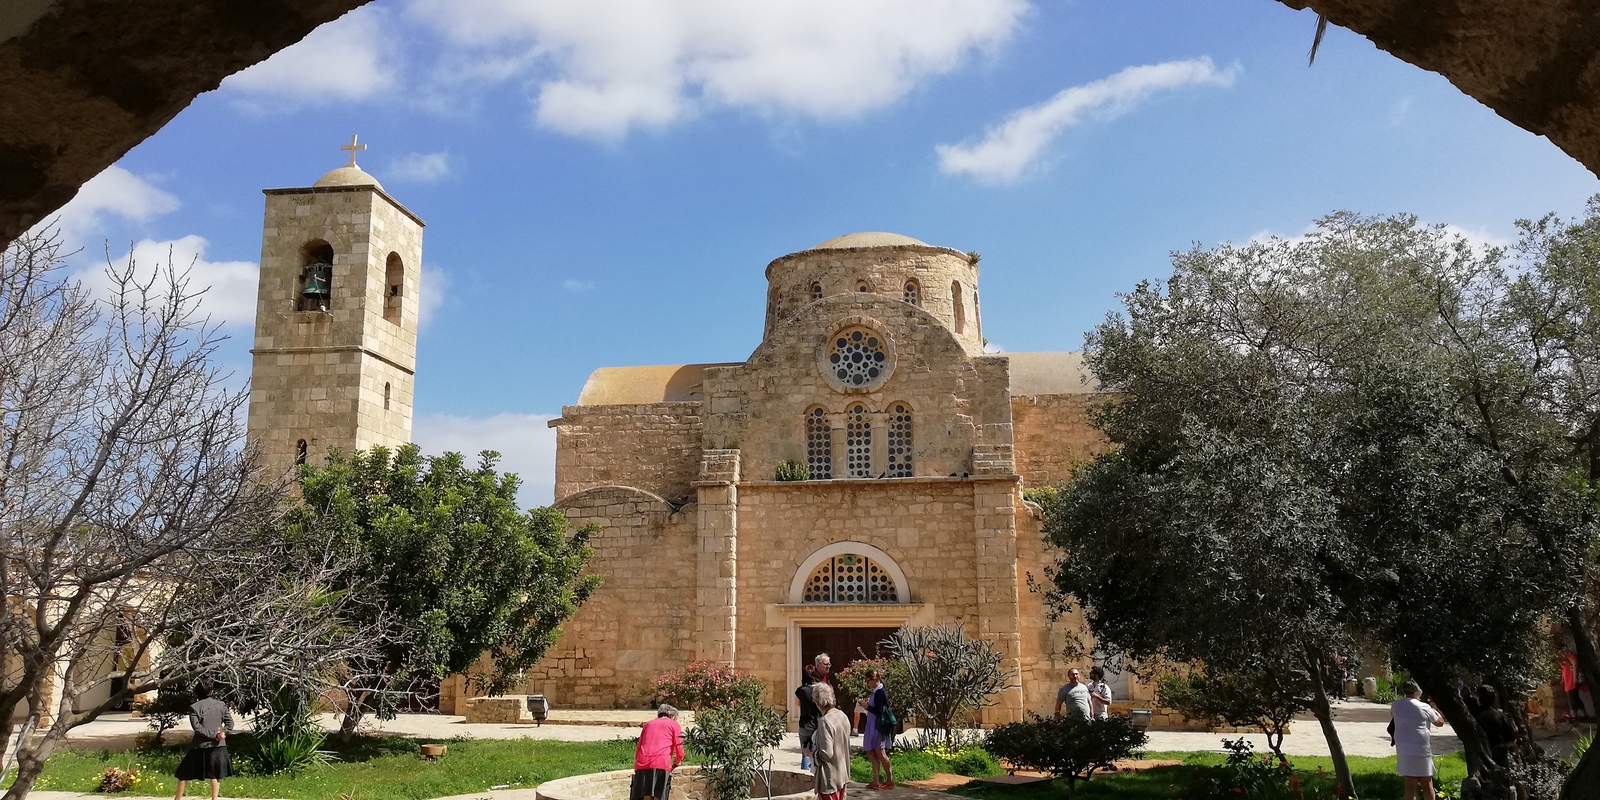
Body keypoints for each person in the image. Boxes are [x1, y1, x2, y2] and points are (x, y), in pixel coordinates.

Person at [173, 680, 233, 800]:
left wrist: (215, 735)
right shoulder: (221, 705)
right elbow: (230, 723)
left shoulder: (194, 707)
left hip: (199, 746)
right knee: (215, 775)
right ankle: (214, 798)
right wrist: (221, 733)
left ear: (197, 692)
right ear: (212, 691)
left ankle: (177, 799)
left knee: (184, 774)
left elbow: (197, 728)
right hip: (218, 745)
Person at [1391, 680, 1445, 800]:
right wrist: (1434, 709)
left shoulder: (1396, 705)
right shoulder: (1424, 706)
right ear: (1418, 691)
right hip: (1420, 747)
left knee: (1410, 783)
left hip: (1403, 747)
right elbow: (1439, 722)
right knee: (1427, 782)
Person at [632, 704, 686, 800]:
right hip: (661, 762)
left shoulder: (648, 724)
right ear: (673, 717)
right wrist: (676, 763)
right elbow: (679, 749)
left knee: (646, 796)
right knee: (659, 795)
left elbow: (639, 746)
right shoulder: (674, 725)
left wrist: (636, 766)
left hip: (643, 763)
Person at [810, 683, 853, 800]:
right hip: (842, 775)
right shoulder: (842, 715)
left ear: (817, 702)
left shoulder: (825, 721)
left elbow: (826, 753)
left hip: (830, 778)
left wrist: (813, 756)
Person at [796, 653, 832, 771]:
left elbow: (797, 704)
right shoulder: (820, 688)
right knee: (817, 750)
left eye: (829, 664)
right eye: (826, 664)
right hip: (818, 723)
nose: (828, 667)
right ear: (817, 666)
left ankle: (807, 774)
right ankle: (816, 774)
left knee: (806, 751)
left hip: (805, 724)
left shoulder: (802, 690)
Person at [862, 670, 895, 789]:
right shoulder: (876, 692)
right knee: (871, 752)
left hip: (877, 726)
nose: (867, 684)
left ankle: (890, 779)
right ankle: (875, 780)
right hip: (872, 725)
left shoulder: (880, 692)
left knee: (880, 753)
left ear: (874, 679)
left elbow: (880, 711)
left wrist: (868, 707)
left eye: (868, 681)